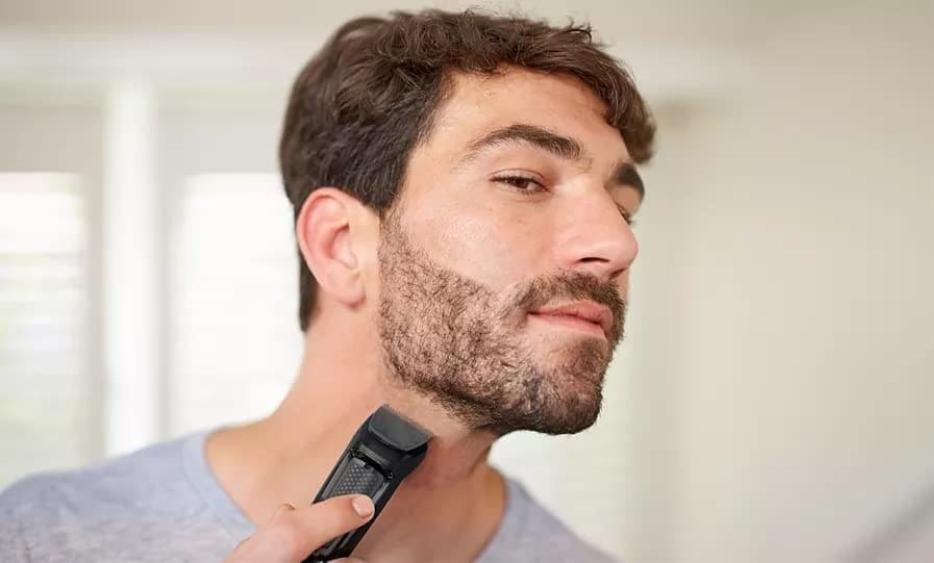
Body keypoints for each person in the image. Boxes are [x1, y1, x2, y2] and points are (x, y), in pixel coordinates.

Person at [0, 8, 655, 562]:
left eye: (622, 208)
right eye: (523, 181)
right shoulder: (37, 537)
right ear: (340, 245)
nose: (618, 244)